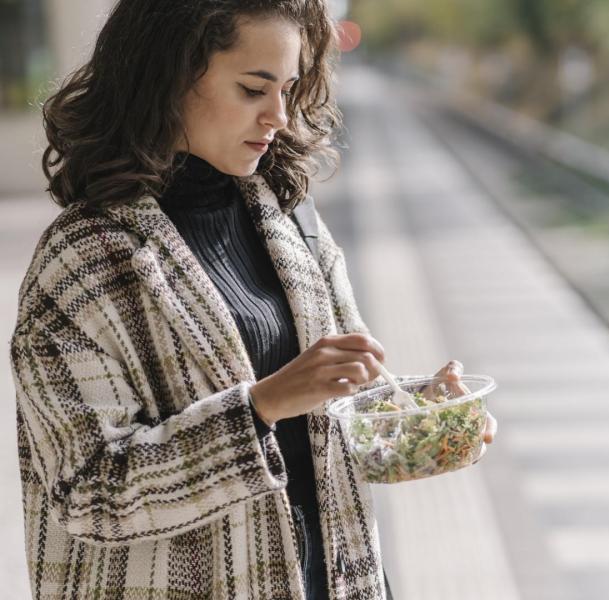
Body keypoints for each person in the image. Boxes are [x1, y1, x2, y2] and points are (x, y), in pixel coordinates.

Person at [10, 0, 497, 598]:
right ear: (166, 78)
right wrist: (260, 407)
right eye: (252, 89)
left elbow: (327, 415)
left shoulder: (291, 222)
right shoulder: (83, 262)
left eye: (289, 89)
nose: (279, 116)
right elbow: (85, 494)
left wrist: (422, 413)